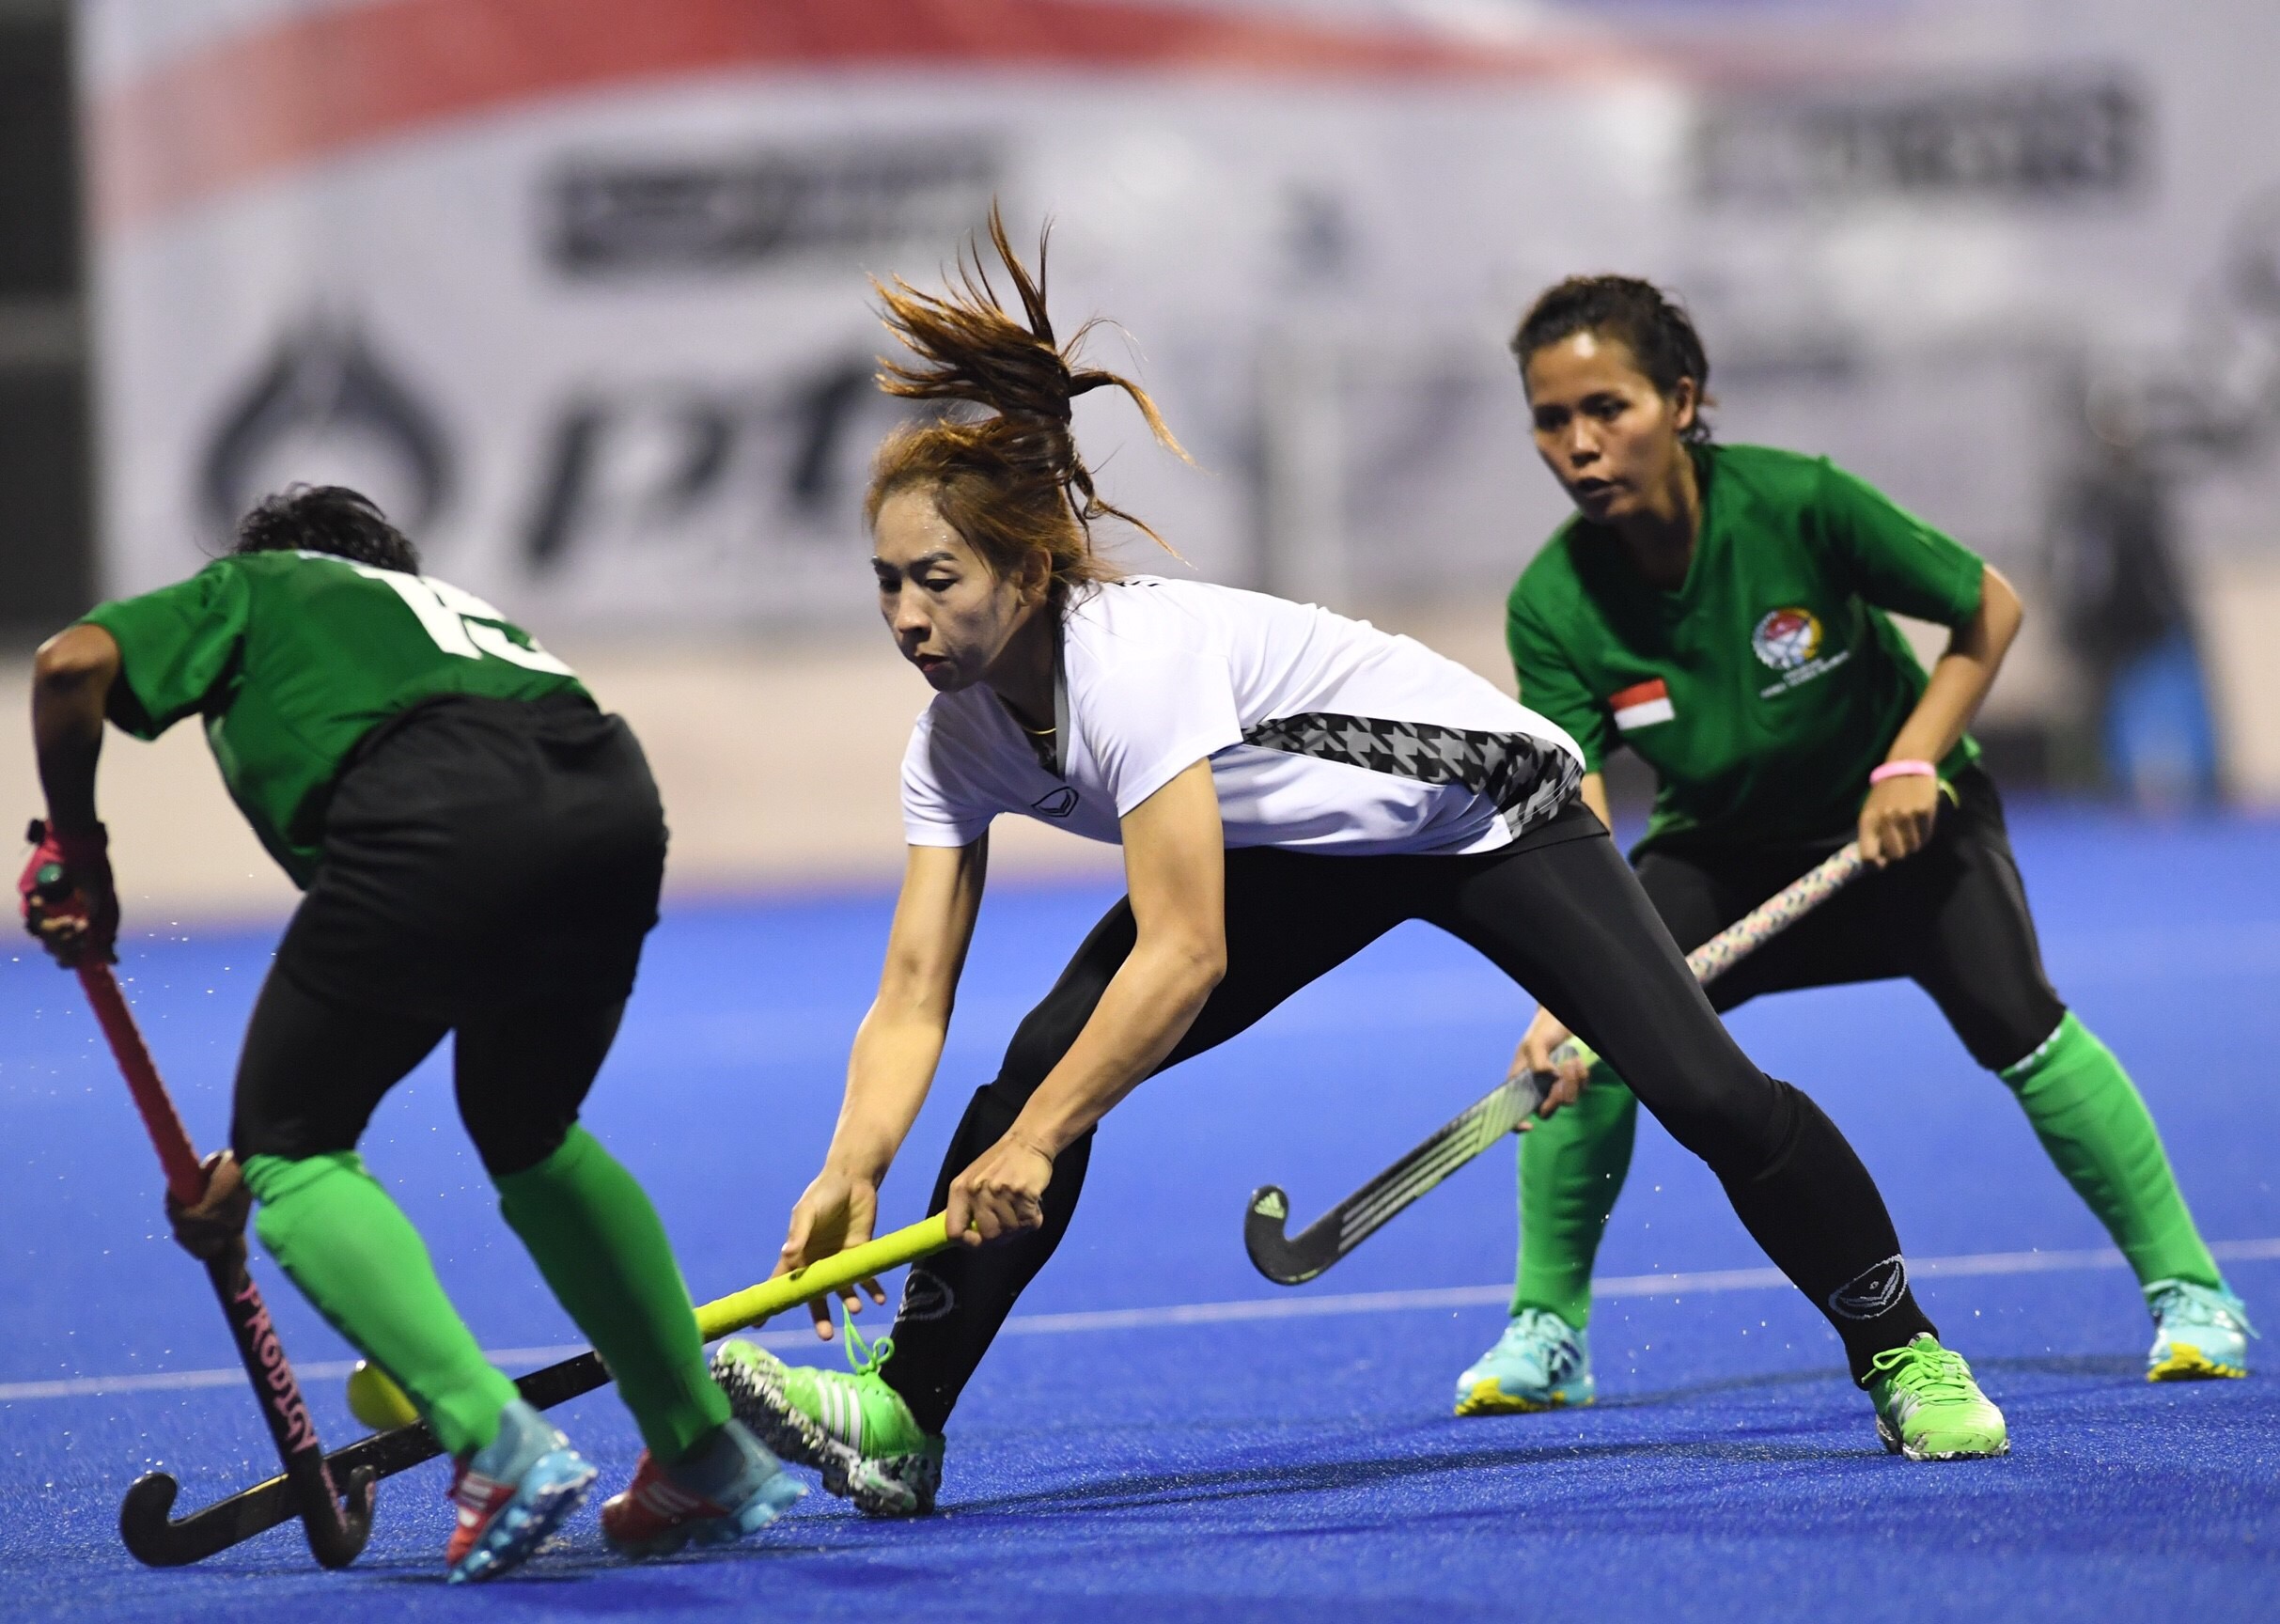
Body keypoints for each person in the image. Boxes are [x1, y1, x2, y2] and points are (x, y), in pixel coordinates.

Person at [709, 213, 2008, 1518]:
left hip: (1483, 816)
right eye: (886, 585)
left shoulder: (1126, 668)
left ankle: (1902, 1349)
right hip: (1302, 848)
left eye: (935, 581)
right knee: (1040, 1063)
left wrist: (1041, 1142)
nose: (907, 619)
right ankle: (901, 1413)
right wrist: (853, 1163)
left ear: (1029, 568)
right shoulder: (954, 742)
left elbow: (1184, 952)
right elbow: (912, 993)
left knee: (1703, 1092)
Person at [1451, 276, 2250, 1419]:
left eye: (1606, 408)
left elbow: (1986, 607)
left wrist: (1911, 760)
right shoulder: (1552, 601)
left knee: (2017, 1021)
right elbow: (1573, 805)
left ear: (1682, 401)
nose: (1578, 444)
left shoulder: (1798, 503)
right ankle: (1548, 1328)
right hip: (1722, 853)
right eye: (1549, 419)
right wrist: (1569, 981)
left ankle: (2190, 1292)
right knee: (1594, 1039)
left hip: (1904, 828)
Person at [22, 487, 804, 1582]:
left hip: (437, 808)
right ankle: (702, 1455)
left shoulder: (260, 584)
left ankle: (496, 1444)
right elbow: (430, 948)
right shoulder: (446, 618)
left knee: (298, 1145)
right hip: (612, 802)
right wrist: (260, 1148)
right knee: (529, 1126)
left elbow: (68, 667)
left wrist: (79, 850)